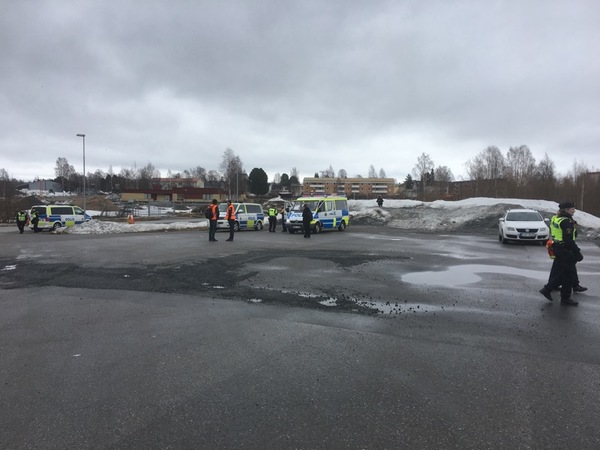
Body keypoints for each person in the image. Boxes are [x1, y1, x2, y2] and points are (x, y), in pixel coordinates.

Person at [539, 202, 582, 306]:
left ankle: (549, 289)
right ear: (566, 210)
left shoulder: (556, 218)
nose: (574, 211)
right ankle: (562, 297)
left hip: (556, 247)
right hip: (565, 249)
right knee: (568, 274)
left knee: (560, 271)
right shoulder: (566, 221)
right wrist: (577, 252)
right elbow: (569, 240)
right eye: (572, 209)